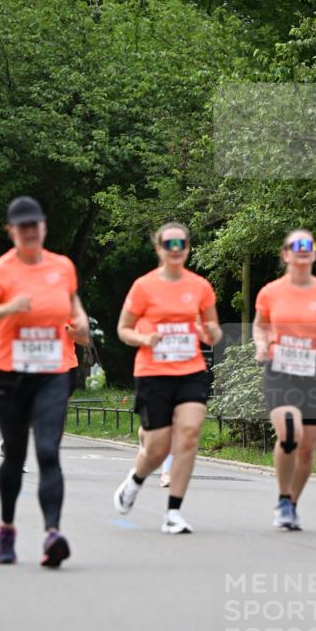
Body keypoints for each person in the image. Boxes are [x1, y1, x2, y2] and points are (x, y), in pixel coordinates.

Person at [0, 195, 89, 566]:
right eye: (23, 227)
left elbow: (74, 307)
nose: (30, 232)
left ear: (44, 227)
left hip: (52, 372)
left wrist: (80, 324)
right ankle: (7, 527)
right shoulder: (0, 270)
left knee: (49, 451)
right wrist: (8, 308)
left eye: (35, 225)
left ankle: (53, 534)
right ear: (12, 232)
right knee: (15, 453)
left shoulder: (62, 266)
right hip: (9, 372)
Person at [114, 221, 222, 533]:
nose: (175, 250)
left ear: (187, 248)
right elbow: (123, 329)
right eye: (168, 245)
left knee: (188, 435)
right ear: (159, 248)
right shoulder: (143, 286)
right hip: (153, 372)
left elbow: (212, 331)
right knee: (157, 447)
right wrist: (144, 340)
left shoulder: (200, 286)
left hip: (190, 371)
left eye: (181, 245)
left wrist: (210, 332)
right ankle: (134, 481)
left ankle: (173, 512)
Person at [253, 230, 316, 530]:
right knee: (291, 435)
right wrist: (261, 345)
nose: (303, 250)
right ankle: (281, 497)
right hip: (280, 368)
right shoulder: (270, 292)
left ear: (314, 253)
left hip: (315, 369)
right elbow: (260, 325)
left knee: (308, 447)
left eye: (308, 245)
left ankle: (291, 504)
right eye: (296, 245)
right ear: (285, 254)